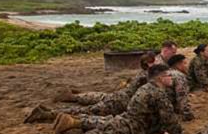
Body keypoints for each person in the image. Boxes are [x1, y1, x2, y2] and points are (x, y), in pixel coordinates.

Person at [7, 64, 183, 134]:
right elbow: (170, 120)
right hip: (125, 131)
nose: (171, 78)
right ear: (160, 78)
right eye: (168, 76)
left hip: (120, 124)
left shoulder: (146, 89)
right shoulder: (158, 93)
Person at [26, 53, 157, 123]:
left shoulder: (143, 74)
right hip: (119, 102)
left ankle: (50, 112)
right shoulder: (145, 76)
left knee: (88, 110)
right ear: (147, 63)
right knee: (87, 112)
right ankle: (47, 114)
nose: (155, 63)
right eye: (153, 61)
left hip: (119, 99)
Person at [167, 54, 194, 121]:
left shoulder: (166, 73)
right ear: (178, 65)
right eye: (184, 63)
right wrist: (188, 115)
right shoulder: (179, 76)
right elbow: (181, 97)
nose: (186, 66)